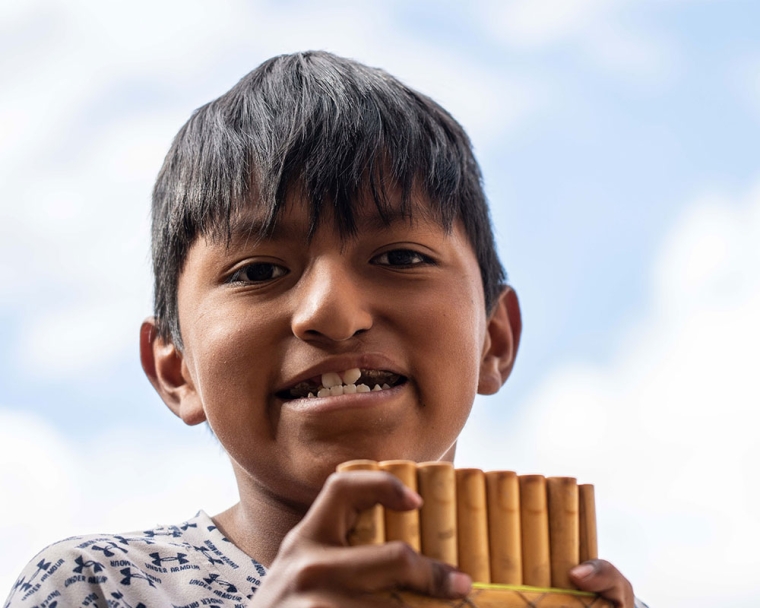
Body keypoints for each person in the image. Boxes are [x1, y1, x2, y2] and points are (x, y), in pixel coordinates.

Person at [4, 51, 642, 608]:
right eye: (258, 269)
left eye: (400, 258)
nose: (333, 315)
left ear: (494, 340)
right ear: (177, 370)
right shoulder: (93, 587)